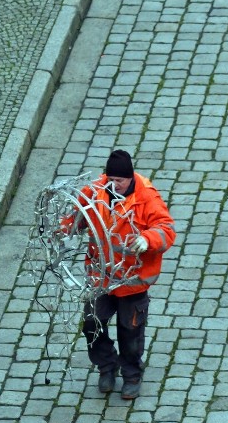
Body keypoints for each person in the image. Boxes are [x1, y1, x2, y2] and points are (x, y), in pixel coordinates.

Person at [64, 150, 176, 399]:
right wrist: (63, 228)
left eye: (120, 181)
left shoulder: (147, 197)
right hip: (102, 278)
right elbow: (76, 218)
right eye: (110, 179)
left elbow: (166, 229)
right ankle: (106, 366)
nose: (114, 185)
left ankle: (132, 375)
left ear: (130, 179)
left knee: (130, 331)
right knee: (92, 323)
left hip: (133, 282)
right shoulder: (95, 191)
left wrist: (147, 240)